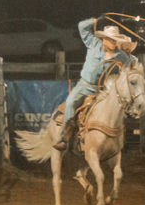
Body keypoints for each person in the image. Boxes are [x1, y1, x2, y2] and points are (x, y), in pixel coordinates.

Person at [54, 19, 130, 152]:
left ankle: (119, 139)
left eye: (115, 40)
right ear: (104, 39)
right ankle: (65, 138)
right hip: (85, 86)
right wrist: (94, 20)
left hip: (105, 90)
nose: (113, 42)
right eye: (111, 39)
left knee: (119, 109)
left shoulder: (122, 57)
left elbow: (128, 70)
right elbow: (81, 27)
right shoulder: (93, 43)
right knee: (71, 103)